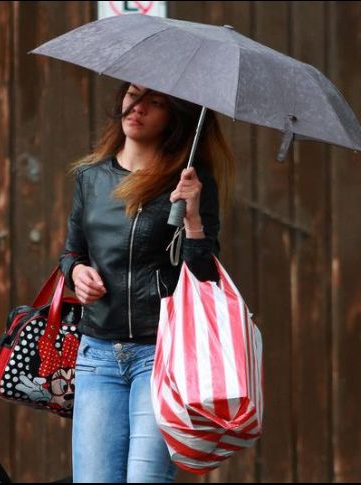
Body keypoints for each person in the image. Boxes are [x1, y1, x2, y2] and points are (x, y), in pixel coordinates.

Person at [59, 82, 235, 482]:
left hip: (161, 357)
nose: (137, 108)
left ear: (172, 118)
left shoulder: (188, 182)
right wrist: (76, 273)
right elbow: (71, 252)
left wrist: (192, 217)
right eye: (133, 95)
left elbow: (204, 274)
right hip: (97, 354)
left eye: (155, 103)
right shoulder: (90, 177)